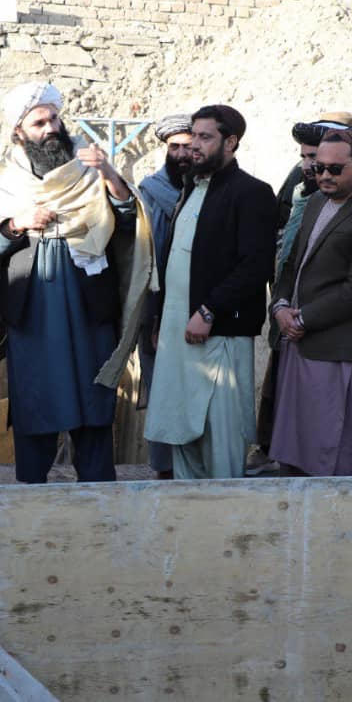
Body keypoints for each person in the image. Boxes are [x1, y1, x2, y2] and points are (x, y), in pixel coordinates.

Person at [0, 81, 153, 484]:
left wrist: (109, 174)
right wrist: (17, 224)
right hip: (33, 307)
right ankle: (32, 496)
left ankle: (99, 498)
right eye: (39, 122)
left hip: (88, 303)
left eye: (54, 118)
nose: (51, 127)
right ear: (19, 130)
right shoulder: (5, 180)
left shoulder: (89, 168)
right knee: (36, 398)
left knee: (93, 399)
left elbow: (125, 221)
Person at [144, 104, 277, 479]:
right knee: (182, 432)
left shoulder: (251, 192)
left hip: (218, 334)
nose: (194, 147)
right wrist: (159, 319)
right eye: (193, 137)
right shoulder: (191, 189)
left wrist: (208, 311)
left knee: (221, 440)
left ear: (230, 142)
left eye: (205, 138)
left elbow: (255, 266)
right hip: (177, 335)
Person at [268, 128, 352, 476]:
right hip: (300, 346)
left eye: (334, 169)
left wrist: (302, 319)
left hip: (339, 352)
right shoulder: (314, 203)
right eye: (317, 168)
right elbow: (291, 263)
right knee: (296, 458)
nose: (324, 175)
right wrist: (280, 307)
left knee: (335, 461)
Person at [136, 113, 192, 480]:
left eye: (189, 146)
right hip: (158, 304)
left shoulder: (207, 189)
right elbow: (150, 253)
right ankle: (165, 468)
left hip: (198, 302)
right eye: (176, 147)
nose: (183, 153)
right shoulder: (150, 191)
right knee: (162, 385)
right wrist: (154, 317)